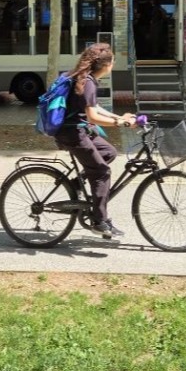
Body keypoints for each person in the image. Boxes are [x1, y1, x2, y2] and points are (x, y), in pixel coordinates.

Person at [53, 43, 137, 238]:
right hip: (73, 133)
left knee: (109, 153)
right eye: (113, 61)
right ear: (106, 65)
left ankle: (76, 184)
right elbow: (93, 117)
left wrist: (119, 118)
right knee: (101, 172)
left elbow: (94, 107)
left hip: (78, 130)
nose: (113, 64)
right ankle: (99, 221)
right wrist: (120, 124)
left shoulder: (86, 78)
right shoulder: (87, 82)